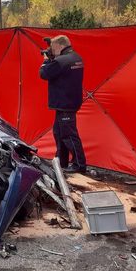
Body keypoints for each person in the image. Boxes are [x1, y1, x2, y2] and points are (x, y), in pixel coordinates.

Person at [39, 35, 86, 174]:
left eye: (53, 48)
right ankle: (62, 161)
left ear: (60, 46)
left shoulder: (61, 61)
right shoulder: (76, 58)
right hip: (70, 101)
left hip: (65, 103)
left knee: (69, 135)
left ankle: (79, 165)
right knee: (59, 133)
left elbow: (43, 74)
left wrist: (46, 60)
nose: (51, 50)